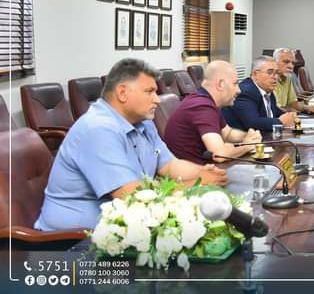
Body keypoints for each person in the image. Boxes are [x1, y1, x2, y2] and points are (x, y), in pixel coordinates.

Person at [34, 59, 227, 231]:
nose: (157, 99)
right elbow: (132, 197)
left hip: (123, 223)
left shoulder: (143, 122)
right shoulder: (97, 129)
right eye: (149, 92)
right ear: (122, 93)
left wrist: (203, 172)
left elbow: (169, 165)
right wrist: (197, 184)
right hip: (72, 240)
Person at [164, 60, 262, 165]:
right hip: (191, 173)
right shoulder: (201, 106)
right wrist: (247, 145)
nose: (239, 90)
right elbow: (219, 155)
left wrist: (247, 136)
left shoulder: (208, 101)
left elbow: (227, 133)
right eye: (235, 84)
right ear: (221, 84)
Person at [223, 56, 297, 134]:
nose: (275, 77)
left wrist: (290, 117)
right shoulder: (245, 92)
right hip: (241, 139)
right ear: (255, 74)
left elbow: (274, 113)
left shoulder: (267, 90)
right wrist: (280, 122)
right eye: (270, 72)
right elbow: (252, 122)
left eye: (277, 73)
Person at [273, 48, 314, 115]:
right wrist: (289, 110)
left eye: (293, 63)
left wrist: (307, 108)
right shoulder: (269, 80)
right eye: (286, 62)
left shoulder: (287, 79)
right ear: (274, 62)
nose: (291, 66)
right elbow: (272, 108)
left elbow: (293, 104)